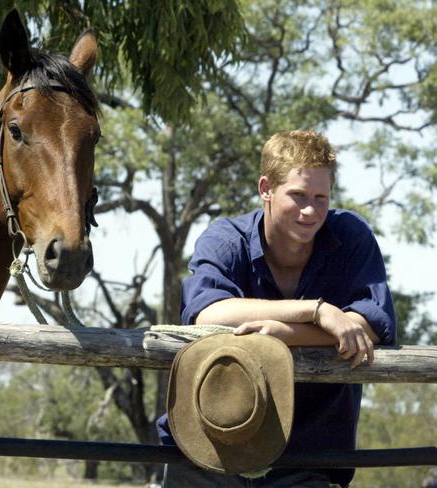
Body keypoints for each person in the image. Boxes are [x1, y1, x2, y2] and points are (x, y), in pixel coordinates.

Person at [157, 130, 396, 487]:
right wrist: (316, 312)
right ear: (265, 188)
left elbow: (373, 323)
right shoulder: (225, 239)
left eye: (321, 197)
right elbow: (206, 312)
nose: (311, 210)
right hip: (209, 448)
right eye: (297, 195)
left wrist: (286, 334)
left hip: (310, 453)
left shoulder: (351, 234)